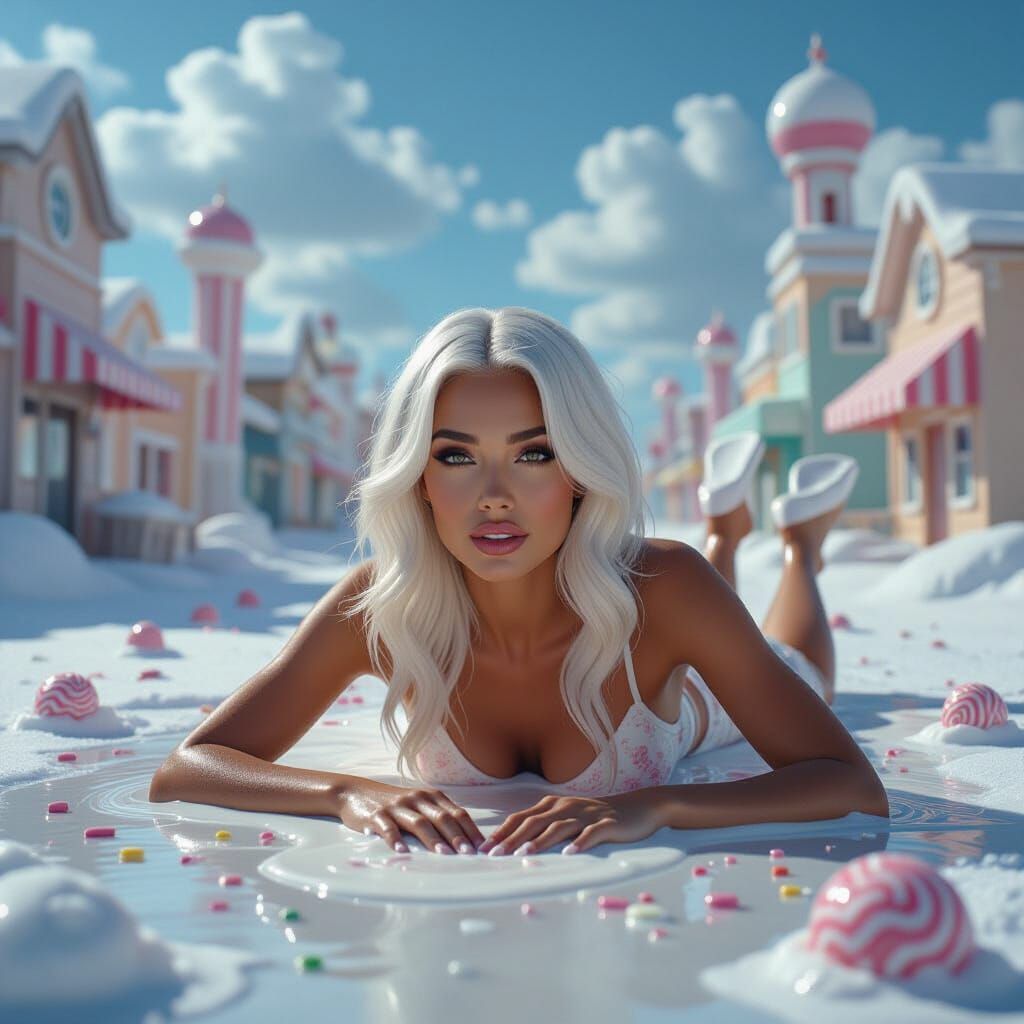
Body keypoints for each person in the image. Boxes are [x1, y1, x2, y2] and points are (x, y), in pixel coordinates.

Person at [149, 307, 888, 857]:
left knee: (804, 669)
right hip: (664, 625)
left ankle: (794, 545)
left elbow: (849, 783)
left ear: (578, 472)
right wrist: (347, 792)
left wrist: (658, 807)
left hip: (691, 705)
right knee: (728, 625)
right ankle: (730, 526)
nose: (493, 495)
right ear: (416, 477)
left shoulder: (667, 586)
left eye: (533, 455)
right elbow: (187, 768)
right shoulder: (378, 605)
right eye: (457, 457)